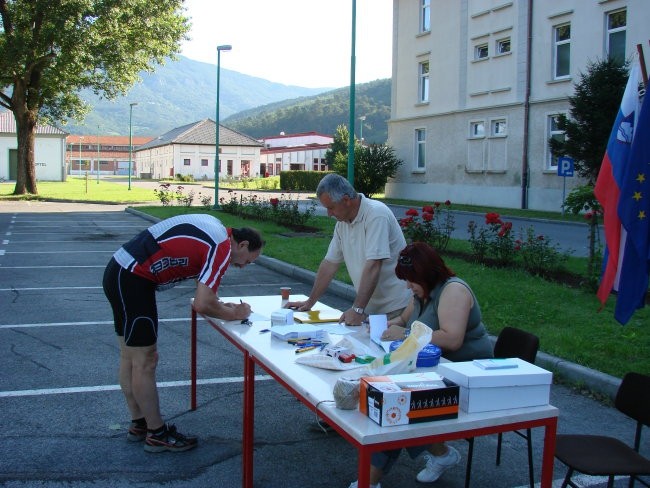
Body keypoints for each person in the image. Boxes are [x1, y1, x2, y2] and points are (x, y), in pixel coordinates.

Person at [102, 214, 264, 453]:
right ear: (242, 245)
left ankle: (139, 424)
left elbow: (206, 295)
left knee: (130, 357)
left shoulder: (217, 231)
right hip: (135, 279)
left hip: (120, 271)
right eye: (247, 261)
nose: (241, 266)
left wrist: (223, 307)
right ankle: (156, 434)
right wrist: (237, 313)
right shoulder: (221, 247)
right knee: (145, 361)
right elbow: (203, 303)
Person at [349, 241, 493, 488]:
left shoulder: (453, 291)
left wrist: (403, 335)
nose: (407, 286)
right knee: (395, 402)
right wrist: (381, 327)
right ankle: (442, 454)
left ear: (426, 274)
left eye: (410, 280)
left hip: (464, 372)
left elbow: (452, 339)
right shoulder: (421, 293)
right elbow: (404, 320)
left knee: (396, 406)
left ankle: (368, 482)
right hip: (433, 367)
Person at [285, 173, 411, 325]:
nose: (329, 214)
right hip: (370, 308)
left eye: (331, 208)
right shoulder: (342, 224)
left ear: (346, 200)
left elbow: (374, 265)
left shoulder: (376, 215)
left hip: (396, 308)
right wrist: (310, 302)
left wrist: (357, 309)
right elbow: (329, 264)